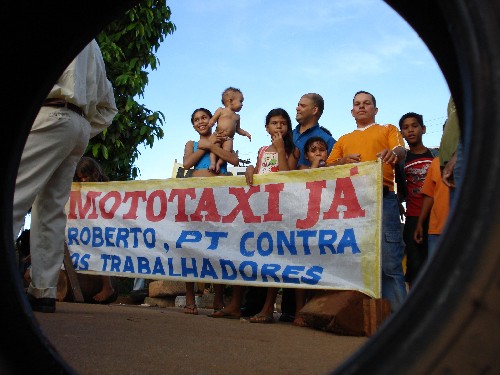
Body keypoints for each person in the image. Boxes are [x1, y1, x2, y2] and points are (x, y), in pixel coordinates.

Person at [12, 39, 117, 313]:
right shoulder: (94, 45)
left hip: (50, 113)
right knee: (50, 210)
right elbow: (108, 105)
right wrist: (81, 126)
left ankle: (43, 288)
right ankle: (44, 290)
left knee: (14, 197)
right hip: (76, 124)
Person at [211, 108, 299, 321]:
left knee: (274, 258)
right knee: (246, 253)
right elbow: (258, 174)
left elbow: (287, 176)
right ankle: (234, 304)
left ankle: (268, 308)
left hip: (279, 208)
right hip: (258, 208)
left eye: (283, 123)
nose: (278, 127)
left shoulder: (292, 151)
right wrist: (250, 168)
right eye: (274, 123)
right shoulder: (261, 150)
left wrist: (280, 150)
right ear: (266, 127)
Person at [325, 91, 407, 312]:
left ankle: (400, 322)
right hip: (351, 204)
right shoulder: (343, 139)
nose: (361, 107)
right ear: (352, 111)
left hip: (383, 199)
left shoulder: (388, 129)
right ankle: (362, 320)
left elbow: (400, 149)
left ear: (375, 109)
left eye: (367, 103)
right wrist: (342, 161)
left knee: (390, 263)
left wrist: (393, 154)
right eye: (357, 104)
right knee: (356, 263)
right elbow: (327, 168)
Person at [277, 93, 337, 323]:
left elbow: (331, 170)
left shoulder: (326, 139)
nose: (297, 107)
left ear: (315, 110)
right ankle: (287, 309)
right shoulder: (287, 135)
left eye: (302, 105)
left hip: (312, 204)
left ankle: (308, 312)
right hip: (286, 202)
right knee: (286, 252)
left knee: (308, 254)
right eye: (297, 104)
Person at [182, 107, 240, 315]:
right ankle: (190, 300)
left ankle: (218, 300)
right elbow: (187, 163)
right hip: (196, 199)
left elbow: (233, 161)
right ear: (193, 125)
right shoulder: (192, 144)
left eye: (204, 117)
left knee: (218, 248)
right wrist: (205, 146)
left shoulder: (224, 139)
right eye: (196, 119)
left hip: (219, 199)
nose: (201, 122)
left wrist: (213, 144)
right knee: (190, 247)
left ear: (212, 119)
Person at [395, 112, 438, 288]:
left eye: (414, 126)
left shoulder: (435, 156)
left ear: (423, 129)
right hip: (413, 216)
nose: (410, 130)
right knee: (414, 265)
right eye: (405, 128)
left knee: (436, 262)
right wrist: (398, 205)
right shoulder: (402, 161)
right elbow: (399, 188)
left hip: (436, 216)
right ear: (402, 134)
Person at [73, 156, 116, 303]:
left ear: (95, 174)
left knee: (101, 246)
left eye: (85, 177)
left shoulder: (107, 188)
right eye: (80, 178)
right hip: (87, 230)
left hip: (104, 232)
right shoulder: (81, 190)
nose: (83, 181)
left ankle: (107, 287)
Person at [207, 87, 251, 173]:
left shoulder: (237, 116)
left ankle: (218, 164)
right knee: (214, 148)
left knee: (227, 151)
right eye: (240, 101)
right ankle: (212, 163)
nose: (242, 104)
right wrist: (211, 123)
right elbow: (214, 119)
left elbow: (238, 129)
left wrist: (246, 133)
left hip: (228, 139)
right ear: (231, 101)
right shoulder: (221, 110)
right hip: (218, 134)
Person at [414, 156, 450, 256]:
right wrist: (420, 223)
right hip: (436, 231)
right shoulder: (436, 162)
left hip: (462, 229)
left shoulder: (470, 160)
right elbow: (429, 195)